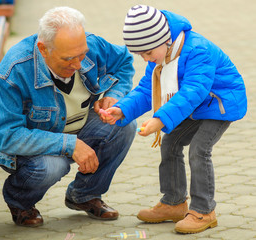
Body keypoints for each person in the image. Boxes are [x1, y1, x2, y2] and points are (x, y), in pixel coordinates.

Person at [0, 6, 137, 227]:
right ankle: (20, 201)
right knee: (53, 166)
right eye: (68, 59)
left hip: (76, 127)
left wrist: (114, 95)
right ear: (43, 49)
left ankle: (83, 196)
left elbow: (124, 62)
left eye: (82, 55)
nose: (78, 65)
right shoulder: (13, 72)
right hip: (28, 145)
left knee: (124, 124)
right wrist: (69, 144)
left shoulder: (90, 45)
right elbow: (6, 135)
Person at [102, 5, 247, 234]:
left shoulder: (198, 50)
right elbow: (147, 89)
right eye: (141, 55)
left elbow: (193, 91)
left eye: (148, 53)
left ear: (164, 39)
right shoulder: (160, 53)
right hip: (195, 106)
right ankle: (174, 202)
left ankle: (204, 210)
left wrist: (160, 120)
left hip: (218, 104)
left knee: (199, 149)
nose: (146, 59)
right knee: (170, 142)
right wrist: (122, 109)